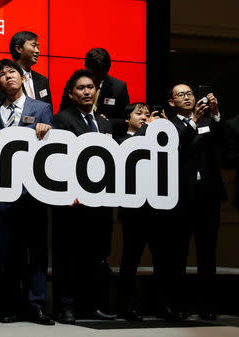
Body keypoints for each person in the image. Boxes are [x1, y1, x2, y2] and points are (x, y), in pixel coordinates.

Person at [0, 59, 54, 325]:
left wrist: (47, 130)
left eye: (11, 72)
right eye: (1, 74)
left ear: (22, 77)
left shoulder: (42, 108)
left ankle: (36, 305)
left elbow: (53, 149)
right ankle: (9, 305)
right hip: (3, 192)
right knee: (6, 252)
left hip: (34, 191)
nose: (7, 77)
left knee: (36, 251)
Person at [52, 69, 115, 324]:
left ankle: (91, 306)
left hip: (99, 203)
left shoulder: (105, 122)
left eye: (90, 87)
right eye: (81, 88)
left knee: (95, 256)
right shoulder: (62, 120)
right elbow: (57, 161)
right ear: (71, 93)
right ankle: (65, 307)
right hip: (71, 202)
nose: (87, 91)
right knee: (68, 257)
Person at [163, 81, 223, 321]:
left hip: (208, 195)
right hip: (182, 197)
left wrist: (215, 113)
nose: (188, 97)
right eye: (181, 95)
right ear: (171, 101)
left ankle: (207, 306)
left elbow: (221, 140)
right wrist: (194, 122)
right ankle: (178, 305)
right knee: (179, 253)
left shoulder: (208, 119)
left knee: (208, 254)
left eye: (190, 93)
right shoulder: (168, 124)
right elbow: (176, 146)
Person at [116, 103, 167, 321]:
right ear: (127, 119)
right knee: (130, 259)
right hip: (133, 210)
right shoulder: (121, 141)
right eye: (139, 114)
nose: (145, 117)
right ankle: (127, 305)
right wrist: (150, 128)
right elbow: (132, 150)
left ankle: (162, 305)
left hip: (157, 208)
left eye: (148, 115)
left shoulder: (157, 139)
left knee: (163, 259)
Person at [59, 48, 129, 140]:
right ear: (85, 66)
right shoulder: (73, 84)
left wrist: (104, 122)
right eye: (94, 73)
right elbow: (63, 112)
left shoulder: (119, 87)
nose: (97, 78)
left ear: (109, 67)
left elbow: (126, 120)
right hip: (76, 136)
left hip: (108, 140)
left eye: (101, 74)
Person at [0, 31, 52, 107]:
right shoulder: (5, 77)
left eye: (38, 47)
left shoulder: (42, 80)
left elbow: (48, 110)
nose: (37, 51)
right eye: (33, 46)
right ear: (19, 48)